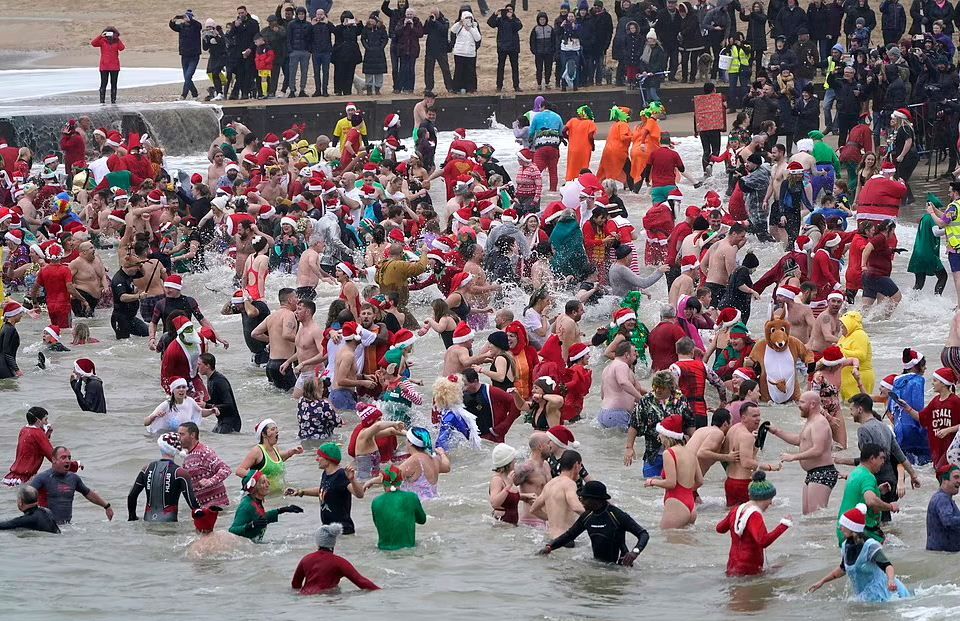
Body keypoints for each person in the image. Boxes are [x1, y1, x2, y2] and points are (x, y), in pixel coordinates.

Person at [809, 503, 911, 602]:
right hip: (865, 598)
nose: (840, 528)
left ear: (852, 528)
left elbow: (887, 566)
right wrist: (822, 581)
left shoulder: (870, 546)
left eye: (843, 525)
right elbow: (842, 569)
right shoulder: (846, 546)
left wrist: (891, 581)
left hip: (886, 595)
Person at [538, 480, 649, 566]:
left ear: (596, 500)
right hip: (598, 565)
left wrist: (634, 552)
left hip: (619, 568)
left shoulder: (616, 515)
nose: (581, 501)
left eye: (584, 498)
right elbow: (569, 535)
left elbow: (643, 534)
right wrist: (549, 547)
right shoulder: (587, 516)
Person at [769, 391, 837, 514]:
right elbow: (799, 440)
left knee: (815, 517)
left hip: (823, 472)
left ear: (812, 404)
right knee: (807, 516)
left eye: (801, 402)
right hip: (813, 473)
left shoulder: (819, 423)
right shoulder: (811, 421)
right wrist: (776, 431)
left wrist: (793, 457)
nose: (798, 405)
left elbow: (818, 450)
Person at [716, 471, 792, 576]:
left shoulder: (736, 510)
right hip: (748, 571)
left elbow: (720, 528)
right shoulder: (755, 515)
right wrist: (784, 525)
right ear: (763, 498)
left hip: (732, 566)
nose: (771, 503)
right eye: (770, 499)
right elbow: (763, 541)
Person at [286, 442, 365, 534]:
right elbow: (323, 490)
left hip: (342, 531)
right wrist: (301, 492)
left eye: (319, 456)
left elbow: (360, 494)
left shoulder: (341, 475)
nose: (317, 459)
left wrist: (352, 479)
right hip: (327, 529)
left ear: (328, 459)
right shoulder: (326, 473)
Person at [643, 414, 702, 528]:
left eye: (660, 433)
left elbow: (671, 483)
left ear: (666, 435)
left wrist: (652, 482)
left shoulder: (669, 453)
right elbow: (700, 481)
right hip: (691, 505)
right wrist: (685, 491)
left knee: (666, 542)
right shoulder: (690, 453)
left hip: (677, 504)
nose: (659, 437)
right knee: (685, 544)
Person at [835, 443, 900, 546]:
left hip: (844, 528)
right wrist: (891, 506)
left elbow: (859, 496)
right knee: (897, 550)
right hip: (859, 531)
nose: (883, 462)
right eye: (881, 458)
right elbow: (871, 501)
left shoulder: (855, 472)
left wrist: (878, 490)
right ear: (872, 458)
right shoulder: (868, 477)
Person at [127, 432, 200, 522]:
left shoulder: (146, 468)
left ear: (160, 447)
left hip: (148, 522)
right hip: (169, 524)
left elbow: (132, 496)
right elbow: (193, 503)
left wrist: (132, 517)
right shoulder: (180, 473)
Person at [29, 446, 114, 524]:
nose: (67, 461)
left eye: (69, 458)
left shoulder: (73, 478)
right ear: (54, 460)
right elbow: (26, 496)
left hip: (66, 526)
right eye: (63, 457)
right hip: (46, 526)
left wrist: (106, 506)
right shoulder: (42, 478)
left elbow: (88, 493)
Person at [292, 523, 380, 594]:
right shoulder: (339, 562)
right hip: (326, 598)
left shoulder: (306, 559)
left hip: (305, 598)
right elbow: (361, 581)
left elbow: (295, 584)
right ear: (333, 542)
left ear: (318, 542)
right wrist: (381, 592)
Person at [725, 402, 781, 506]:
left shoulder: (733, 429)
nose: (758, 419)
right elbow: (746, 463)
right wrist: (770, 467)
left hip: (730, 482)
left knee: (734, 516)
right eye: (754, 416)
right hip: (743, 484)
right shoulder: (747, 436)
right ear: (743, 417)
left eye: (759, 415)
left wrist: (754, 445)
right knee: (759, 512)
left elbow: (726, 452)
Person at [229, 470, 304, 542]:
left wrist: (282, 510)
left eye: (267, 481)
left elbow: (260, 518)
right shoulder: (247, 506)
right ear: (255, 488)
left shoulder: (256, 501)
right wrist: (250, 525)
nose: (268, 484)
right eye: (263, 482)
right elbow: (232, 530)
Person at [236, 418, 304, 496]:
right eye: (272, 429)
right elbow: (239, 471)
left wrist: (291, 452)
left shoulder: (275, 448)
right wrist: (259, 477)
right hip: (262, 497)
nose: (276, 431)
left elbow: (276, 462)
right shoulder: (257, 451)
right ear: (264, 434)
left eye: (276, 429)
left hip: (276, 495)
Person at [371, 465, 427, 550]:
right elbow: (422, 520)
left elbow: (377, 524)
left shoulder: (376, 502)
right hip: (408, 551)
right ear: (401, 480)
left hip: (383, 552)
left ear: (382, 481)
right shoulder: (412, 497)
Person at [179, 422, 231, 508]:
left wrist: (210, 481)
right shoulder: (188, 456)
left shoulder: (204, 453)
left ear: (192, 435)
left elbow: (225, 469)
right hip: (203, 508)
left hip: (217, 507)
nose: (179, 438)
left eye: (182, 434)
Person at [2, 407, 56, 487]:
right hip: (26, 479)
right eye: (45, 420)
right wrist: (74, 465)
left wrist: (46, 434)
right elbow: (52, 457)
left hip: (11, 477)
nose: (47, 422)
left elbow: (36, 445)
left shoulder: (24, 430)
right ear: (38, 421)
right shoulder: (38, 433)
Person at [598, 340, 646, 430]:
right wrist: (641, 399)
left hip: (604, 413)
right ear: (627, 355)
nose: (636, 355)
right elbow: (623, 382)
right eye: (634, 352)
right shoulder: (621, 365)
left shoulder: (607, 368)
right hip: (617, 414)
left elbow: (602, 395)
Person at [144, 377, 217, 435]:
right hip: (166, 438)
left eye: (183, 387)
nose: (181, 390)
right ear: (173, 391)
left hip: (183, 438)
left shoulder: (190, 401)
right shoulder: (166, 405)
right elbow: (145, 422)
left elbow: (200, 412)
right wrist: (154, 416)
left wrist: (212, 411)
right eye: (178, 387)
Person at [197, 353, 241, 433]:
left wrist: (206, 405)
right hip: (222, 420)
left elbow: (229, 405)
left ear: (207, 366)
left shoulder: (219, 381)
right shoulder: (211, 379)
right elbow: (216, 401)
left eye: (199, 364)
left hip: (230, 422)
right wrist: (202, 404)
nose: (197, 367)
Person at [169, 11, 203, 99]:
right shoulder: (181, 27)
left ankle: (189, 95)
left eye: (186, 17)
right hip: (184, 55)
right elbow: (173, 27)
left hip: (194, 55)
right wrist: (173, 20)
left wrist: (191, 20)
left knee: (188, 76)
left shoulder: (195, 26)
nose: (184, 19)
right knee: (186, 77)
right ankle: (188, 95)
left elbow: (199, 26)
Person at [91, 26, 124, 104]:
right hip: (104, 66)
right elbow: (93, 43)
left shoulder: (116, 41)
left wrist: (117, 39)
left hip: (114, 66)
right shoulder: (102, 41)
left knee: (114, 84)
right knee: (103, 84)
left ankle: (113, 101)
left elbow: (122, 48)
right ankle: (102, 101)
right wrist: (100, 36)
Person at [0, 301, 25, 379]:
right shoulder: (10, 330)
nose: (21, 315)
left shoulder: (4, 327)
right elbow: (7, 352)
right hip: (4, 368)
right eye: (20, 313)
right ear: (14, 314)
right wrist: (17, 370)